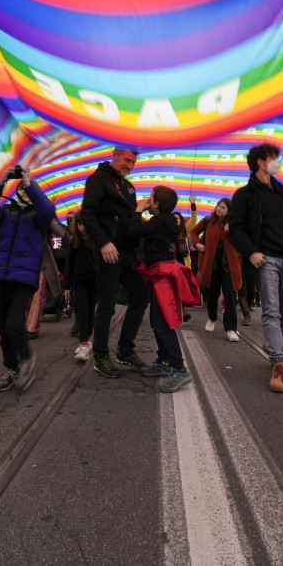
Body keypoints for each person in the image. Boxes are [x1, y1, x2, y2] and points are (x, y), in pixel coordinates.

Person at [228, 143, 283, 393]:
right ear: (262, 162)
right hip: (266, 260)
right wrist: (251, 251)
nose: (278, 162)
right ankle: (278, 362)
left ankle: (272, 342)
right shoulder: (244, 195)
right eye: (274, 158)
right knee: (271, 311)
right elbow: (236, 227)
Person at [0, 167, 56, 392]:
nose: (24, 191)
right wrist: (1, 181)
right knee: (3, 328)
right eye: (21, 189)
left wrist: (29, 182)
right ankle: (12, 368)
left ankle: (27, 358)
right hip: (0, 274)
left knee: (14, 323)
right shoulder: (5, 213)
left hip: (23, 276)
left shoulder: (39, 218)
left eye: (27, 190)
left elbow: (47, 209)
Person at [79, 148, 150, 378]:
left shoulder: (128, 186)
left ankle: (125, 351)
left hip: (128, 254)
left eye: (133, 162)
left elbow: (129, 221)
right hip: (109, 252)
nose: (129, 165)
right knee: (107, 305)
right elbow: (87, 214)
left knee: (140, 296)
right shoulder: (98, 179)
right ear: (115, 155)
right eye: (127, 160)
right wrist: (103, 244)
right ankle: (100, 357)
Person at [130, 186, 195, 392]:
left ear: (156, 204)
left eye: (150, 198)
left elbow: (134, 231)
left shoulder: (158, 221)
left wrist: (138, 209)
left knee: (162, 323)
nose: (148, 200)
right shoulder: (168, 222)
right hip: (163, 275)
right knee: (158, 321)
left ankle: (179, 367)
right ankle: (164, 361)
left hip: (162, 278)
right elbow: (150, 229)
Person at [190, 198, 243, 342]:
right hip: (211, 262)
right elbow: (193, 231)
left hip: (229, 264)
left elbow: (240, 243)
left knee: (230, 296)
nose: (219, 209)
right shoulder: (208, 220)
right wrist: (197, 244)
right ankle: (212, 318)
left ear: (229, 211)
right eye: (218, 206)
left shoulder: (235, 224)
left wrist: (230, 232)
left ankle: (231, 329)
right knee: (212, 294)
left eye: (223, 208)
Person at [64, 214, 99, 362]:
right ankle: (84, 342)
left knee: (91, 310)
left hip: (95, 280)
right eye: (79, 224)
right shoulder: (74, 242)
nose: (82, 227)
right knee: (82, 310)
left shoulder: (96, 240)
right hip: (79, 281)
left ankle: (88, 338)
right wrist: (67, 286)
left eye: (84, 224)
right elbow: (69, 264)